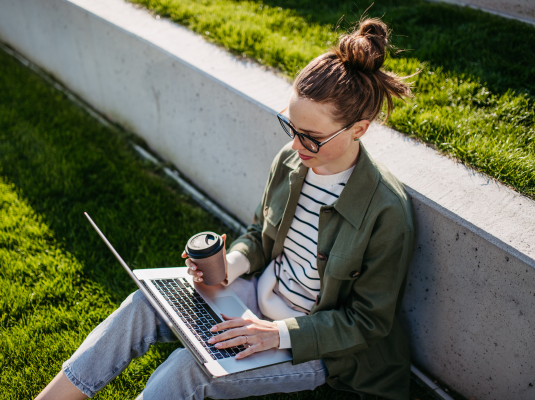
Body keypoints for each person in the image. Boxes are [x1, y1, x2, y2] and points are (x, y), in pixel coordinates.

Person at [35, 17, 415, 400]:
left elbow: (367, 322)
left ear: (358, 130)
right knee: (142, 305)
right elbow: (260, 236)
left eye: (312, 138)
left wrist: (277, 334)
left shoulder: (386, 210)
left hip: (317, 346)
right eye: (291, 127)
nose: (298, 145)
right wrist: (227, 268)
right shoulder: (291, 161)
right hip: (256, 300)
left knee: (186, 371)